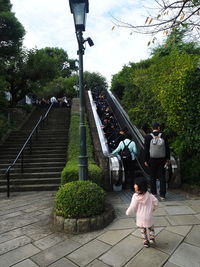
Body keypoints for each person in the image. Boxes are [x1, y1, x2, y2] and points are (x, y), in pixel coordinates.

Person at [126, 177, 158, 247]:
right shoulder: (149, 195)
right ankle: (152, 237)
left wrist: (128, 212)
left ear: (138, 187)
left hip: (140, 217)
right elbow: (156, 202)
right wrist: (153, 209)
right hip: (148, 216)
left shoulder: (135, 196)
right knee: (150, 227)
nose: (134, 185)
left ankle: (146, 241)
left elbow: (132, 206)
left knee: (142, 229)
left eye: (135, 184)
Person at [144, 122, 170, 200]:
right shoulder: (164, 136)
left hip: (152, 159)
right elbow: (167, 148)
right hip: (162, 158)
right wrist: (167, 158)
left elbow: (146, 150)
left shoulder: (148, 137)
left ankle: (153, 193)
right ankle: (162, 194)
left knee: (152, 176)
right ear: (158, 127)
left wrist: (146, 160)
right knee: (162, 176)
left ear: (152, 128)